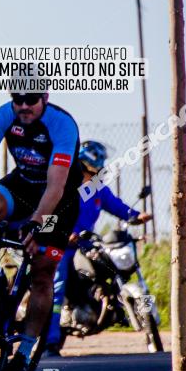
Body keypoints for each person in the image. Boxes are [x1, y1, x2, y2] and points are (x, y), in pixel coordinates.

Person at [0, 92, 82, 371]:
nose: (24, 106)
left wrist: (36, 224)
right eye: (18, 100)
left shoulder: (62, 124)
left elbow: (55, 186)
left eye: (31, 100)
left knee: (42, 274)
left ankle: (25, 351)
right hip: (22, 184)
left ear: (45, 98)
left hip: (58, 200)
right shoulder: (5, 114)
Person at [45, 140, 152, 355]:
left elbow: (116, 206)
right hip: (63, 246)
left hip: (86, 246)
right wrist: (63, 235)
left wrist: (137, 216)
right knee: (57, 287)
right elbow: (48, 213)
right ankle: (51, 341)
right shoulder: (64, 186)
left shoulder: (97, 190)